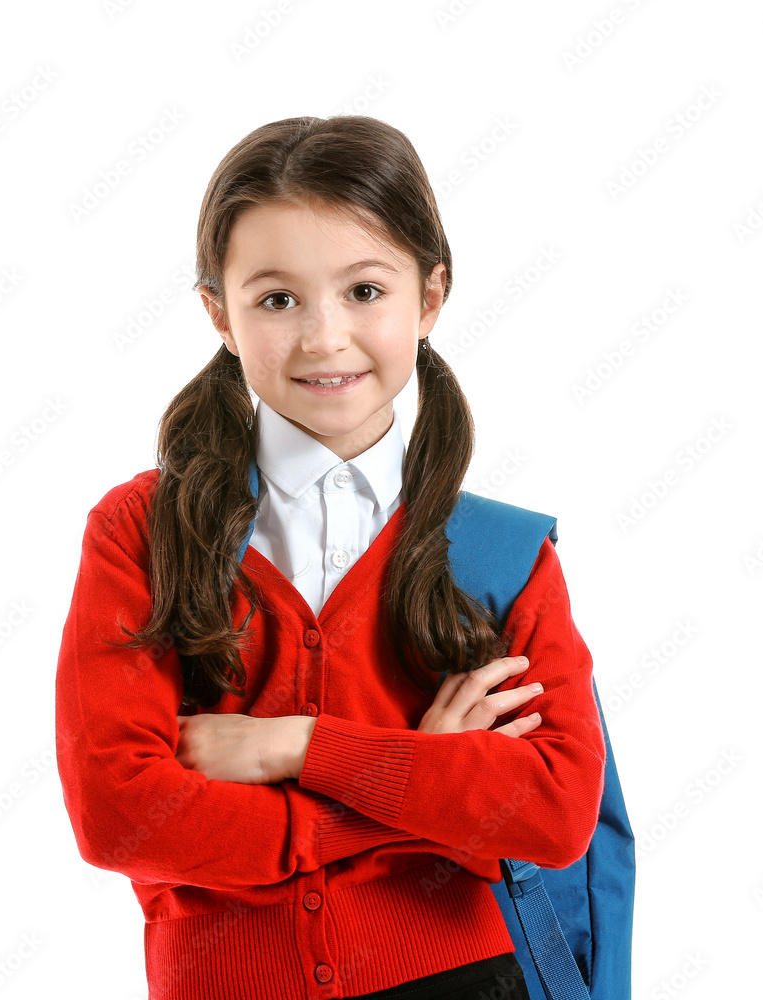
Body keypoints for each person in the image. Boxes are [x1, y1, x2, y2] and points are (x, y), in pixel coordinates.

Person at [54, 115, 606, 1000]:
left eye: (364, 291)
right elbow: (121, 817)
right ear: (218, 315)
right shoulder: (142, 532)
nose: (322, 337)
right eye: (277, 299)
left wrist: (293, 747)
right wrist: (414, 787)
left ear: (429, 299)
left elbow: (553, 809)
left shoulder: (502, 552)